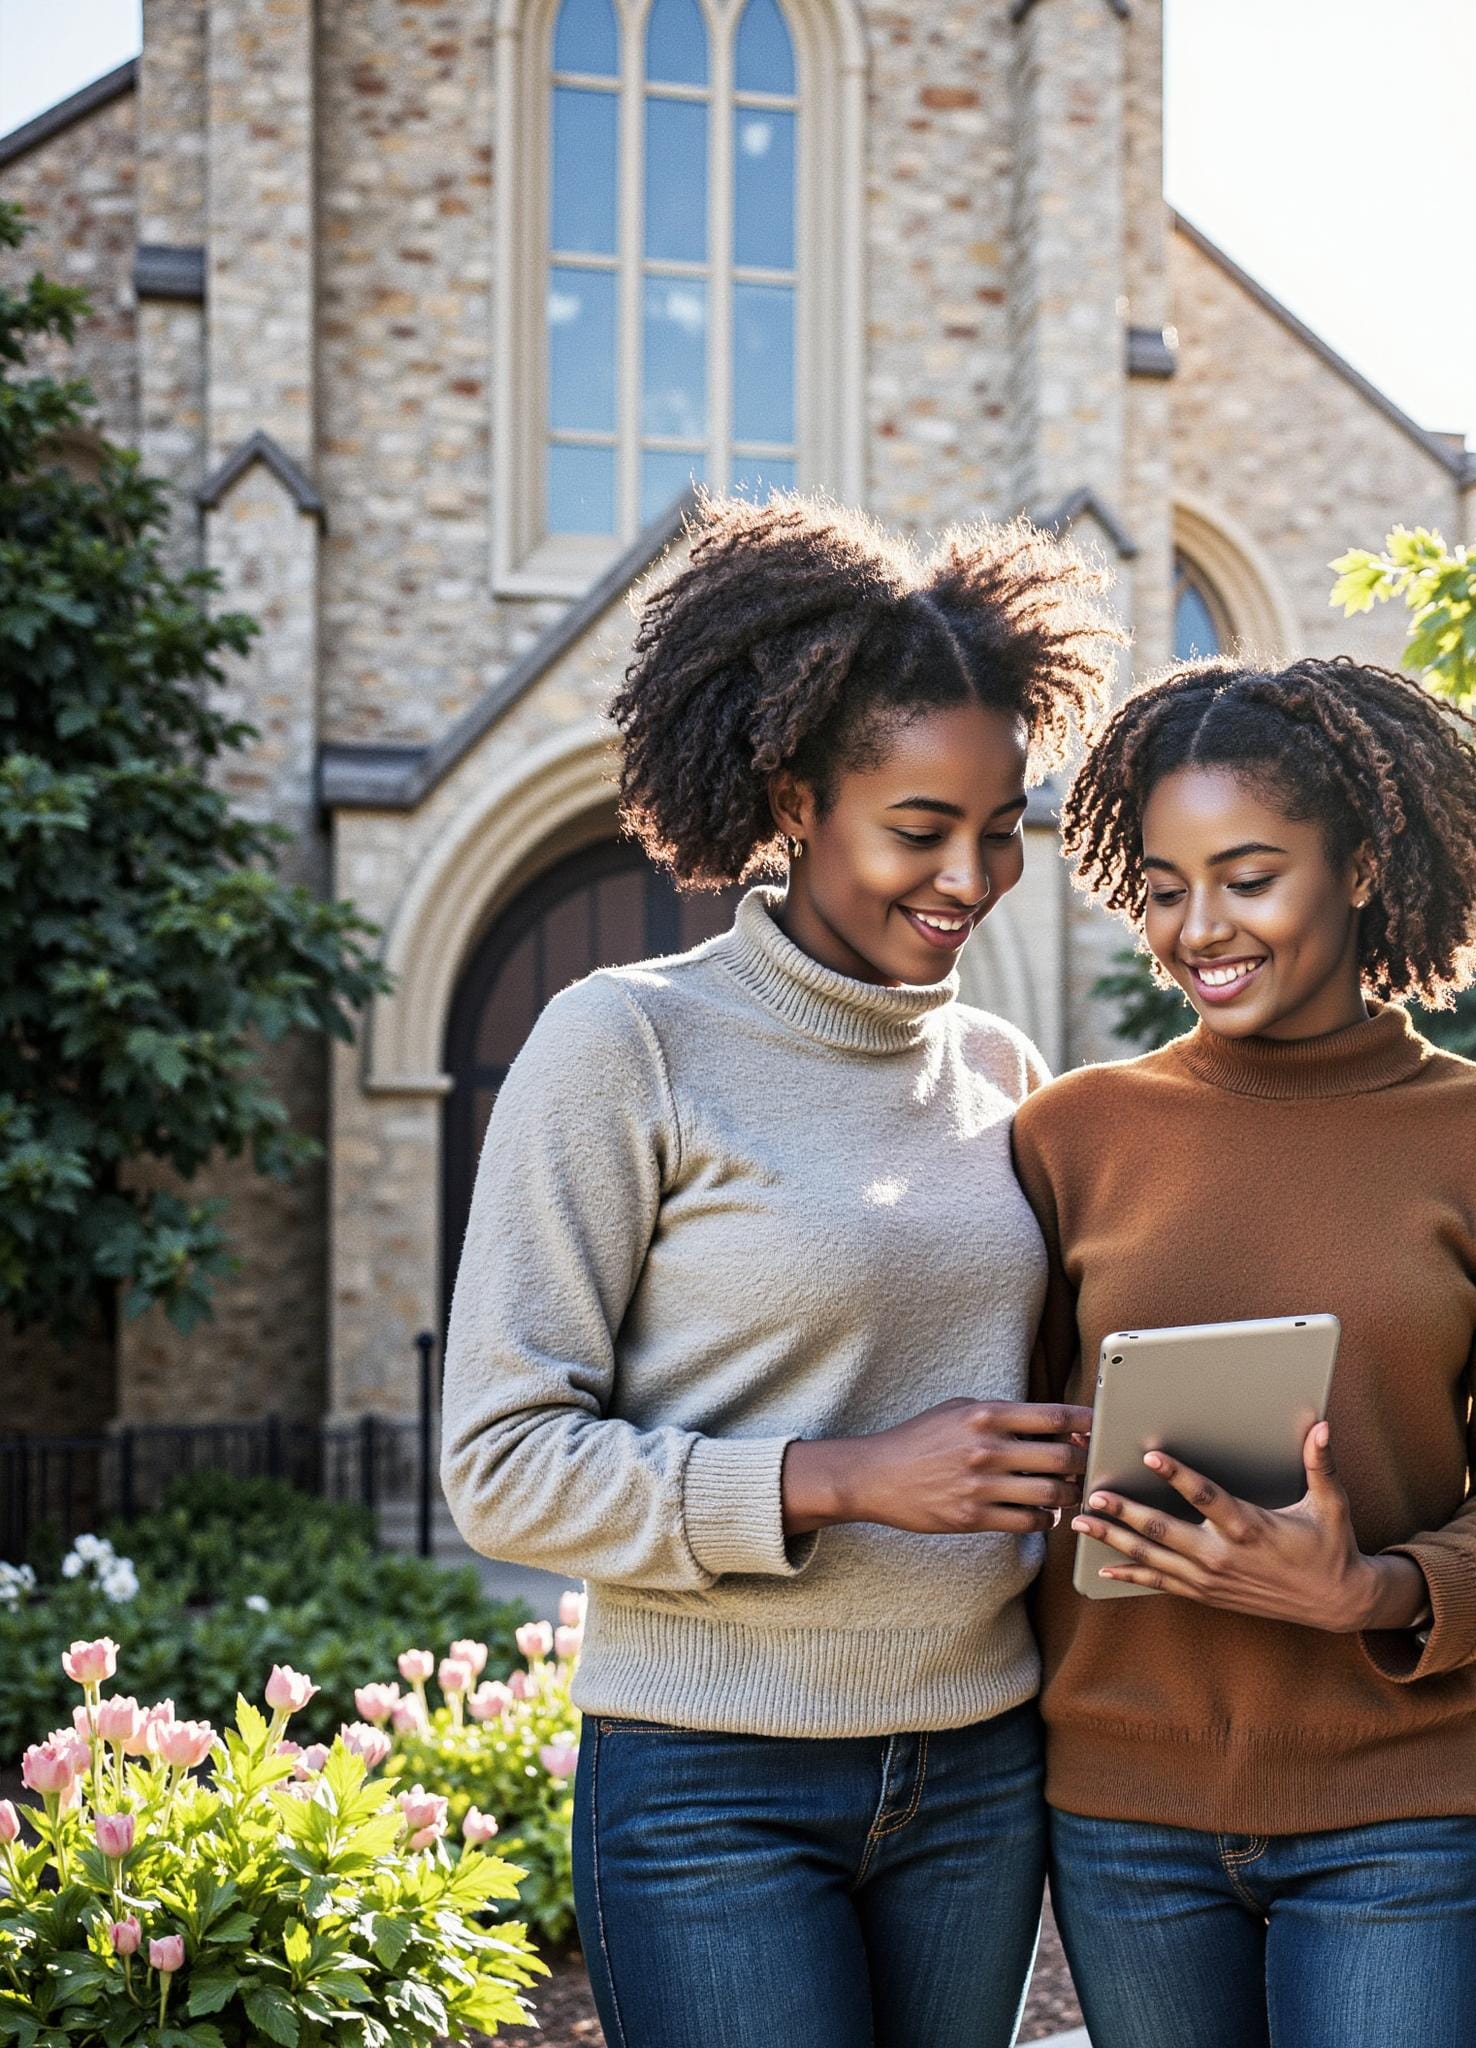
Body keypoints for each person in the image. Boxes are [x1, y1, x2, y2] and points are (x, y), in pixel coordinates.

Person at [439, 493, 1121, 2048]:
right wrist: (843, 1478)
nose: (970, 877)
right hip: (709, 1770)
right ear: (795, 797)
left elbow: (1004, 1408)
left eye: (1001, 829)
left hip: (976, 1765)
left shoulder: (1004, 1068)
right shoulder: (625, 1044)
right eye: (919, 830)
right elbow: (501, 1467)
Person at [1011, 655, 1476, 2048]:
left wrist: (1369, 1589)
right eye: (1163, 886)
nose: (1197, 927)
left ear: (1358, 867)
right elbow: (1026, 1435)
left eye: (1249, 875)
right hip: (1121, 1815)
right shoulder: (1070, 1138)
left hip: (1388, 1812)